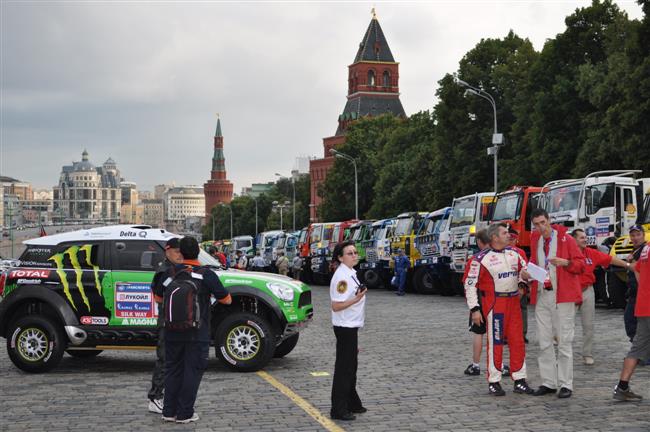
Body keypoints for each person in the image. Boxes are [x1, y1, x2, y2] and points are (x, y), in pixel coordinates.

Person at [162, 237, 232, 423]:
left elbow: (158, 298)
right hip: (197, 331)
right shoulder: (206, 274)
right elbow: (226, 300)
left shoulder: (169, 273)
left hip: (171, 330)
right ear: (198, 252)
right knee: (192, 371)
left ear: (181, 253)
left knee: (172, 369)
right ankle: (185, 413)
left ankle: (168, 411)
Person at [464, 223, 533, 396]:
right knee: (496, 343)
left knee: (517, 341)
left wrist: (524, 282)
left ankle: (520, 379)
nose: (508, 235)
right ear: (494, 237)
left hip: (514, 302)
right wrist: (475, 309)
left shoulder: (515, 254)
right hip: (495, 304)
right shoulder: (479, 259)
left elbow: (525, 272)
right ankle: (494, 381)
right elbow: (469, 285)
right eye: (504, 233)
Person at [529, 208, 584, 398]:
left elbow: (580, 264)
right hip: (542, 294)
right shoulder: (535, 240)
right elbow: (534, 262)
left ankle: (566, 383)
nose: (540, 227)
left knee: (564, 340)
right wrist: (527, 273)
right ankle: (549, 382)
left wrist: (566, 262)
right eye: (536, 224)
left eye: (543, 222)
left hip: (562, 296)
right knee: (543, 340)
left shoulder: (566, 239)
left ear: (549, 220)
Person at [571, 228, 629, 365]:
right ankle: (564, 355)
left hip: (587, 291)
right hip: (572, 293)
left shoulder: (591, 253)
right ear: (574, 240)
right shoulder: (567, 254)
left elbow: (610, 259)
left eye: (585, 237)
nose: (585, 239)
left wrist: (627, 265)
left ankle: (587, 354)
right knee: (566, 326)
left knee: (589, 325)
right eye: (581, 238)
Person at [330, 240, 367, 421]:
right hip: (345, 327)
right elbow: (336, 306)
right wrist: (357, 298)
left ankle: (352, 402)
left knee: (351, 367)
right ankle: (338, 408)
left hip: (351, 326)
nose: (354, 255)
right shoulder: (342, 277)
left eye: (355, 252)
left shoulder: (351, 273)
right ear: (340, 257)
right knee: (344, 369)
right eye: (349, 253)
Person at [147, 237, 183, 414]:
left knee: (174, 360)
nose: (179, 255)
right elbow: (157, 295)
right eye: (176, 251)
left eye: (181, 251)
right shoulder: (164, 270)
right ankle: (155, 397)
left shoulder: (175, 268)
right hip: (166, 321)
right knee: (164, 359)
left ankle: (168, 396)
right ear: (167, 251)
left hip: (176, 321)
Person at [612, 234, 650, 401]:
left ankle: (622, 386)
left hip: (643, 305)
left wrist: (644, 291)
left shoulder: (645, 249)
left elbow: (637, 270)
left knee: (636, 348)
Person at [463, 228, 490, 376]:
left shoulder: (475, 259)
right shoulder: (498, 256)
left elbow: (468, 283)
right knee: (496, 333)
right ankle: (499, 364)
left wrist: (474, 308)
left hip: (479, 297)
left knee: (478, 332)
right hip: (496, 299)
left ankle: (476, 365)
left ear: (479, 242)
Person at [624, 225, 647, 342]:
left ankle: (640, 354)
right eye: (632, 235)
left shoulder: (644, 250)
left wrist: (630, 262)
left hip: (641, 293)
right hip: (634, 292)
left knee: (633, 324)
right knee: (631, 323)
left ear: (644, 235)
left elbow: (640, 268)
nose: (635, 238)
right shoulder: (636, 250)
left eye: (638, 234)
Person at [507, 227, 529, 344]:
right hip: (512, 285)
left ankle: (519, 334)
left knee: (520, 310)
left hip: (515, 285)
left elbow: (524, 270)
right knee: (520, 310)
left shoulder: (519, 252)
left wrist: (522, 287)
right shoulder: (520, 252)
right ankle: (520, 334)